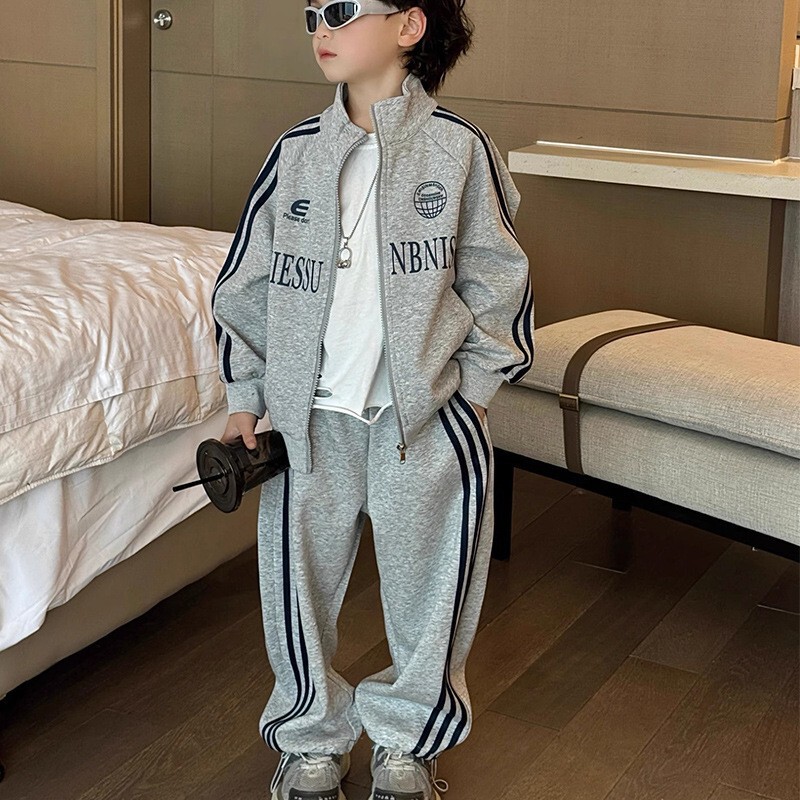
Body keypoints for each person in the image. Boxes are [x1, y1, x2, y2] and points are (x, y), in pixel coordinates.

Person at [211, 1, 534, 797]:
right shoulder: (295, 152)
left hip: (422, 421)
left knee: (431, 591)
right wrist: (247, 393)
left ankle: (406, 741)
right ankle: (311, 738)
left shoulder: (459, 149)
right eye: (311, 13)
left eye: (342, 9)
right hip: (308, 424)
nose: (321, 27)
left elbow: (499, 277)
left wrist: (476, 392)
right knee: (297, 587)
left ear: (408, 26)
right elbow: (245, 285)